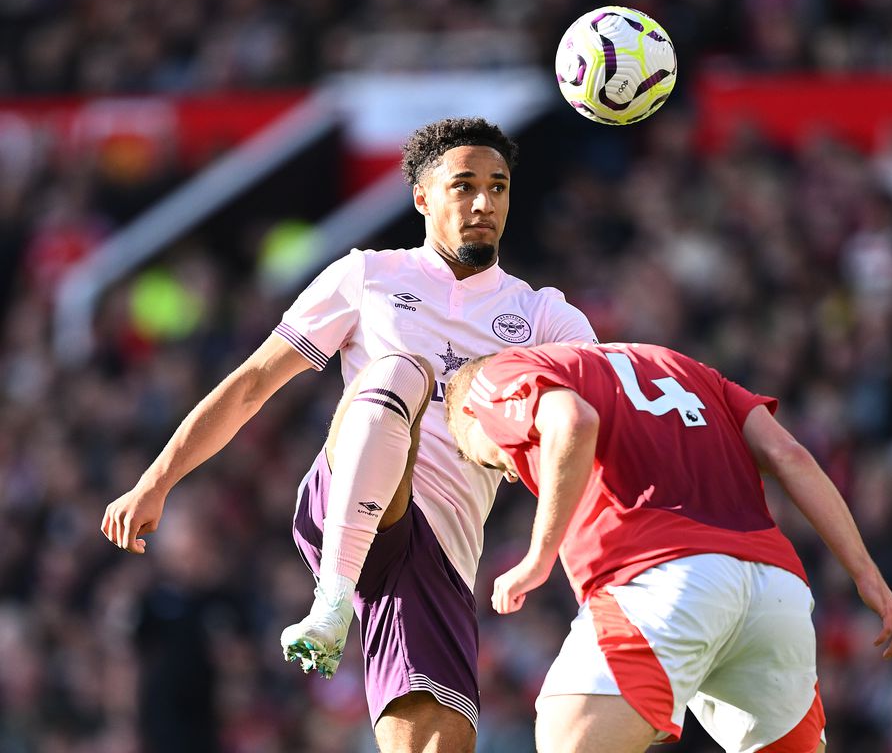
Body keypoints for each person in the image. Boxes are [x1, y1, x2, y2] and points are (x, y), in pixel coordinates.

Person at [101, 117, 597, 753]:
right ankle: (330, 600)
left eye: (497, 187)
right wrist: (156, 481)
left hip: (441, 554)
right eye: (464, 185)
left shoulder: (545, 315)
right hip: (342, 503)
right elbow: (253, 384)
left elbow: (600, 424)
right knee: (401, 371)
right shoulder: (367, 276)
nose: (483, 203)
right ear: (422, 198)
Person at [444, 341, 892, 753]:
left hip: (660, 580)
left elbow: (573, 420)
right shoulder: (685, 367)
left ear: (469, 415)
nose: (510, 473)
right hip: (777, 594)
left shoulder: (494, 378)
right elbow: (789, 455)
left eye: (491, 462)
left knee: (567, 737)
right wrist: (866, 575)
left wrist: (537, 558)